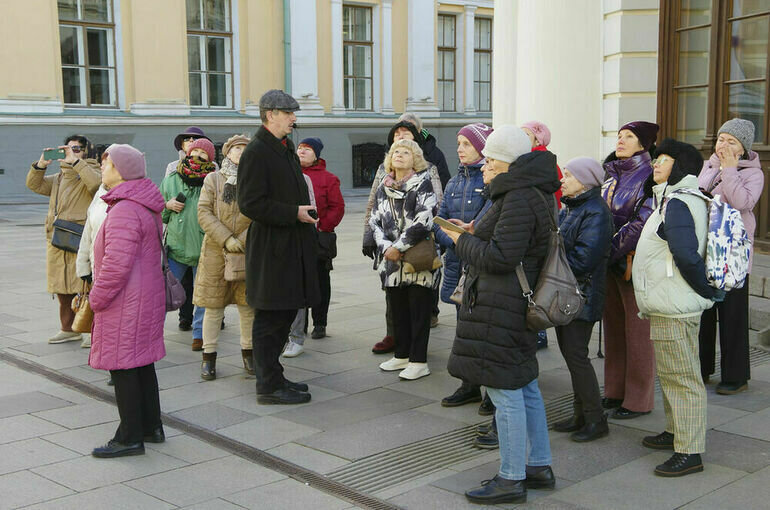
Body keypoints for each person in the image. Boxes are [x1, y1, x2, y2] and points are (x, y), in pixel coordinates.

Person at [444, 126, 559, 505]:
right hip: (511, 304)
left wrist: (462, 241)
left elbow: (500, 258)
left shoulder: (519, 197)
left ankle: (511, 478)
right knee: (524, 385)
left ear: (509, 163)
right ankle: (538, 465)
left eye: (491, 160)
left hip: (503, 306)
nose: (485, 166)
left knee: (505, 391)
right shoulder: (528, 192)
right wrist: (474, 230)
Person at [634, 138, 725, 476]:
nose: (656, 163)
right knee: (673, 375)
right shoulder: (674, 199)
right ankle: (675, 432)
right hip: (668, 302)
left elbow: (686, 254)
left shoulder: (678, 202)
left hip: (675, 305)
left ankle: (690, 452)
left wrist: (705, 290)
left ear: (681, 166)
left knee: (683, 378)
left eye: (664, 159)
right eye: (656, 158)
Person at [237, 89, 319, 405]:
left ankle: (274, 374)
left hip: (290, 246)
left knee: (284, 314)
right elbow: (250, 203)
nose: (294, 118)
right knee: (270, 319)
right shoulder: (257, 151)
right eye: (289, 113)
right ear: (270, 114)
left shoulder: (283, 148)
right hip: (272, 250)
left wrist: (302, 212)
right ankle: (267, 386)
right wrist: (292, 213)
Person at [88, 144, 166, 458]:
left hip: (126, 301)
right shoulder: (141, 202)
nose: (102, 170)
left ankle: (130, 437)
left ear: (120, 170)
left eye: (105, 165)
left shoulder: (124, 209)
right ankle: (151, 427)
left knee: (123, 367)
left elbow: (115, 266)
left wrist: (96, 299)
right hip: (144, 296)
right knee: (141, 363)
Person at [363, 121, 444, 355]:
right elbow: (375, 219)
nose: (399, 154)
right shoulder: (383, 187)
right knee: (397, 311)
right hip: (390, 259)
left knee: (418, 312)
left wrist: (399, 246)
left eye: (406, 152)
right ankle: (401, 355)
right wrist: (386, 246)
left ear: (416, 159)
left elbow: (425, 218)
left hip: (416, 257)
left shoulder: (423, 183)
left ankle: (417, 361)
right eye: (396, 151)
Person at [698, 119, 764, 395]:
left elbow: (742, 202)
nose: (723, 145)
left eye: (732, 142)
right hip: (704, 250)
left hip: (732, 254)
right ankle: (701, 369)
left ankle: (736, 377)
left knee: (732, 315)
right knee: (703, 313)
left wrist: (729, 170)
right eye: (721, 138)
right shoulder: (707, 165)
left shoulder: (753, 173)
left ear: (743, 148)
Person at [552, 157, 614, 442]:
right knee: (571, 354)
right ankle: (581, 414)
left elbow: (584, 260)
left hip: (582, 295)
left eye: (569, 175)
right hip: (568, 291)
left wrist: (552, 264)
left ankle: (595, 418)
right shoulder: (573, 207)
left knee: (577, 355)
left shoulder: (596, 212)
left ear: (585, 181)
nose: (563, 180)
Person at [601, 120, 659, 420]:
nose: (621, 140)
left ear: (643, 144)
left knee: (638, 334)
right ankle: (614, 390)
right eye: (619, 135)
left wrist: (609, 249)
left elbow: (642, 221)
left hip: (632, 263)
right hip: (609, 263)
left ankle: (638, 399)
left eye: (629, 136)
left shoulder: (649, 175)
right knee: (612, 328)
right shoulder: (610, 172)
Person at [436, 123, 494, 408]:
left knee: (485, 330)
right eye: (459, 143)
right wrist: (454, 237)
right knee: (463, 329)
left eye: (466, 144)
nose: (460, 149)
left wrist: (463, 235)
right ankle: (469, 384)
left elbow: (487, 227)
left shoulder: (491, 181)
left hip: (481, 266)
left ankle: (492, 394)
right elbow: (438, 221)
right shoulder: (454, 182)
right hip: (457, 264)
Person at [26, 135, 101, 344]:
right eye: (67, 148)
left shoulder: (93, 170)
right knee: (60, 285)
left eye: (76, 148)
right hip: (56, 237)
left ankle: (87, 328)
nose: (71, 151)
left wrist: (77, 163)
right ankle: (68, 328)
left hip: (80, 237)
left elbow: (96, 185)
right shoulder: (59, 178)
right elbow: (34, 185)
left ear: (85, 151)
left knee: (83, 284)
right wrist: (41, 165)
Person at [193, 135, 254, 380]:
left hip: (247, 252)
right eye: (236, 148)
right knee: (214, 308)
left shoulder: (257, 180)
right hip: (216, 253)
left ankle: (249, 354)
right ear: (227, 153)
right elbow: (203, 212)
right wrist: (227, 238)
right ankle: (208, 357)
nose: (240, 152)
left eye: (244, 149)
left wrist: (244, 239)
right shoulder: (213, 179)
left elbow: (260, 213)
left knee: (247, 307)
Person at [160, 138, 216, 351]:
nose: (198, 156)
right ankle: (154, 332)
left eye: (203, 153)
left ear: (210, 158)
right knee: (162, 291)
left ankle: (199, 335)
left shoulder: (213, 181)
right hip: (176, 246)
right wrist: (168, 204)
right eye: (195, 151)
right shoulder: (172, 179)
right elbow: (162, 213)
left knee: (202, 295)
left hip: (204, 246)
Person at [521, 120, 565, 351]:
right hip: (545, 223)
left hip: (541, 226)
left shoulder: (539, 161)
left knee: (535, 284)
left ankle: (538, 332)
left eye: (525, 134)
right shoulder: (538, 160)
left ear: (537, 139)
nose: (520, 137)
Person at [298, 137, 346, 340]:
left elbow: (337, 207)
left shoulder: (329, 178)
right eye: (300, 148)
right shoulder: (291, 174)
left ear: (317, 154)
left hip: (318, 238)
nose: (301, 152)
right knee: (297, 283)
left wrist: (323, 226)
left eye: (307, 149)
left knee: (320, 281)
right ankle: (299, 326)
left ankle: (320, 323)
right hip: (295, 237)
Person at [282, 172, 318, 359]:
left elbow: (312, 207)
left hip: (296, 239)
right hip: (266, 241)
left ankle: (296, 338)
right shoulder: (258, 172)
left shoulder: (301, 177)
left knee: (296, 291)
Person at [75, 163, 109, 349]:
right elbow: (88, 232)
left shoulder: (132, 199)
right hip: (97, 266)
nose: (103, 169)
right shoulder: (100, 194)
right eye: (102, 164)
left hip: (118, 272)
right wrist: (83, 265)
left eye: (108, 165)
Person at [399, 112, 451, 188]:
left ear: (418, 131)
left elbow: (444, 184)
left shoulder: (434, 153)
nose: (402, 136)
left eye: (407, 131)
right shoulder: (390, 153)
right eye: (400, 131)